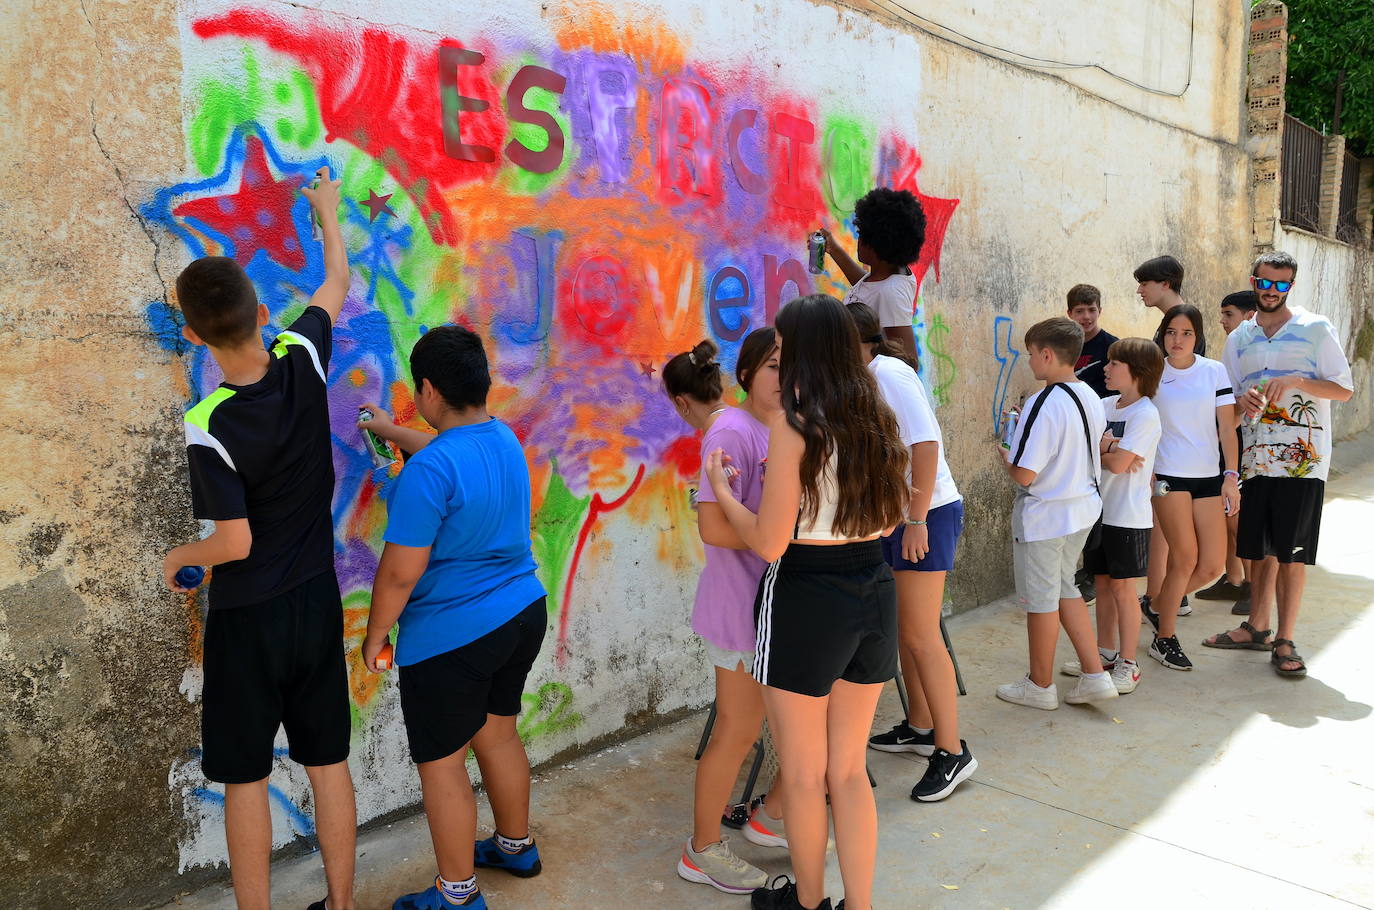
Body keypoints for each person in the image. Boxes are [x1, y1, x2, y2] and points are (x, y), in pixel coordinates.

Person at [160, 168, 357, 910]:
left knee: (244, 775)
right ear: (261, 311)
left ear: (192, 333)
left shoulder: (208, 422)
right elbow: (335, 278)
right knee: (328, 761)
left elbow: (233, 543)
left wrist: (183, 558)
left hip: (249, 618)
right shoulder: (302, 356)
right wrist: (326, 212)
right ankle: (340, 905)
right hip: (315, 601)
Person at [705, 294, 909, 910]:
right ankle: (860, 904)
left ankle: (809, 902)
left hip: (806, 595)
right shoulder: (876, 417)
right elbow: (896, 513)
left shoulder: (796, 429)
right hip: (873, 588)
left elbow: (769, 542)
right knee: (848, 771)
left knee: (801, 772)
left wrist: (720, 488)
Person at [360, 326, 549, 910]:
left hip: (453, 637)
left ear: (429, 390)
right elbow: (448, 454)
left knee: (443, 765)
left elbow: (397, 574)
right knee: (498, 734)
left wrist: (375, 634)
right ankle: (516, 847)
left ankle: (458, 895)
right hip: (522, 613)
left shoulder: (428, 474)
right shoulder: (503, 439)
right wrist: (388, 431)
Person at [664, 333, 788, 895]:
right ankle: (703, 849)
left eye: (794, 366)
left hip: (772, 606)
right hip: (742, 609)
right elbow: (713, 527)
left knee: (764, 727)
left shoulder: (778, 428)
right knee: (738, 731)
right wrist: (779, 533)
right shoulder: (731, 430)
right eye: (773, 366)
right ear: (745, 373)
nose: (786, 377)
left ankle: (768, 820)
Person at [1204, 251, 1354, 678]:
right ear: (1254, 281)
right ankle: (1258, 626)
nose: (1271, 291)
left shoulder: (1315, 328)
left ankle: (1285, 638)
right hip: (1255, 461)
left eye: (1281, 285)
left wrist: (1298, 381)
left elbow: (1343, 390)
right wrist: (1240, 401)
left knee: (1292, 555)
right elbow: (1227, 408)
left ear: (1290, 285)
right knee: (1258, 550)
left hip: (1302, 463)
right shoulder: (1239, 339)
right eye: (1265, 283)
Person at [847, 303, 974, 801]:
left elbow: (925, 444)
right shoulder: (866, 377)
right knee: (903, 630)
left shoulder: (889, 374)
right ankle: (921, 726)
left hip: (927, 514)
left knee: (922, 635)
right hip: (897, 516)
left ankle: (952, 750)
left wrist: (916, 519)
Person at [994, 317, 1117, 711]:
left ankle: (1040, 684)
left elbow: (1026, 472)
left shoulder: (1042, 402)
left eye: (1031, 354)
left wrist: (1006, 457)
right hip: (1082, 511)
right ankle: (1095, 675)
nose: (1029, 361)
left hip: (1046, 516)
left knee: (1041, 600)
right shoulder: (1089, 396)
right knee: (1065, 589)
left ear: (1047, 355)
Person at [1139, 304, 1239, 672]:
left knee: (1212, 565)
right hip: (1167, 477)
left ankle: (1156, 604)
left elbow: (1227, 429)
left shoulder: (1214, 371)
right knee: (1184, 557)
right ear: (1162, 334)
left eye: (1186, 333)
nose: (1177, 340)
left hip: (1209, 478)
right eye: (1170, 332)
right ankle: (1164, 637)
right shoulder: (1152, 371)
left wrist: (1231, 477)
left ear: (1197, 337)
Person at [1060, 338, 1163, 694]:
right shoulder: (1104, 405)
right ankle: (1104, 653)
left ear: (1137, 372)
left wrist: (1104, 447)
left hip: (1129, 516)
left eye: (1115, 363)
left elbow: (1119, 465)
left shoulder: (1146, 414)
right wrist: (1109, 447)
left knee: (1123, 590)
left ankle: (1129, 663)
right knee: (1101, 585)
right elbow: (1080, 447)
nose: (1106, 368)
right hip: (1098, 513)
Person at [1196, 290, 1259, 614]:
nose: (1221, 321)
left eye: (1228, 314)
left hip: (1247, 446)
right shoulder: (1233, 351)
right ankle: (1233, 580)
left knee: (1239, 519)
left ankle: (1252, 585)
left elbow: (1236, 407)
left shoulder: (1257, 354)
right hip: (1228, 443)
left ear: (1250, 317)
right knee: (1228, 516)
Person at [818, 188, 926, 366]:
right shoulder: (884, 276)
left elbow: (909, 361)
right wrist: (835, 250)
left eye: (861, 236)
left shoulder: (891, 293)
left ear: (878, 244)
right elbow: (869, 290)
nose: (858, 241)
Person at [1067, 284, 1118, 398]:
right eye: (1079, 311)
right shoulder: (1062, 346)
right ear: (1069, 313)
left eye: (1092, 310)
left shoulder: (1113, 347)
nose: (1086, 316)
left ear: (1099, 311)